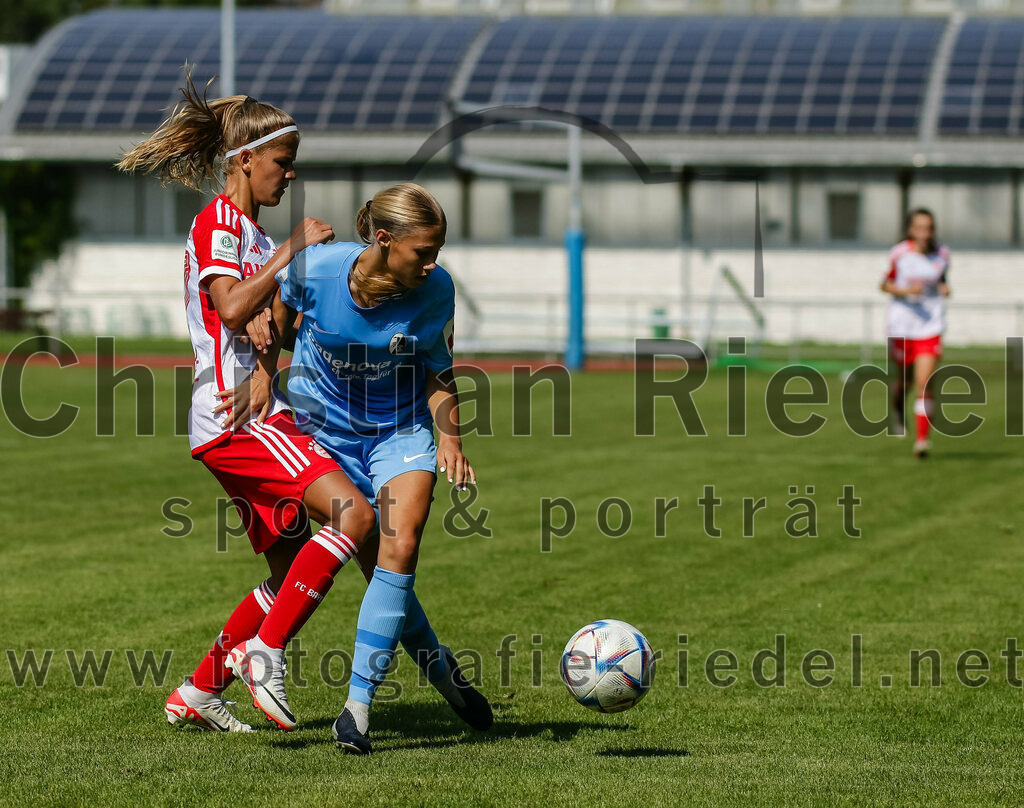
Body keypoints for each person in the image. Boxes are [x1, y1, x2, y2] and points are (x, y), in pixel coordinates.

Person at [117, 73, 376, 732]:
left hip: (249, 410)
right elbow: (230, 304)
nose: (289, 177)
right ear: (245, 161)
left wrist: (275, 332)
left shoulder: (254, 241)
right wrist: (292, 253)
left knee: (290, 568)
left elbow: (260, 321)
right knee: (354, 517)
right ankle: (267, 651)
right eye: (282, 165)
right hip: (239, 420)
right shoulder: (222, 223)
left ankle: (199, 692)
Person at [234, 182, 492, 754]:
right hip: (320, 433)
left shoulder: (437, 291)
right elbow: (281, 303)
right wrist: (263, 370)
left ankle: (357, 709)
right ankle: (443, 672)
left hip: (399, 434)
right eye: (422, 252)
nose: (433, 264)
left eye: (437, 251)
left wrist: (449, 438)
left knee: (401, 549)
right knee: (377, 567)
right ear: (383, 240)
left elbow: (438, 370)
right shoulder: (319, 269)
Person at [880, 208, 951, 458]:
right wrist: (905, 291)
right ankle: (898, 408)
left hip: (930, 327)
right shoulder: (899, 254)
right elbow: (883, 284)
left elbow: (942, 280)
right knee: (905, 382)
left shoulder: (942, 254)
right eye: (919, 228)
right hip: (902, 327)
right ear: (911, 230)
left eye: (929, 228)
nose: (924, 234)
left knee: (924, 383)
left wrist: (944, 289)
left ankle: (922, 442)